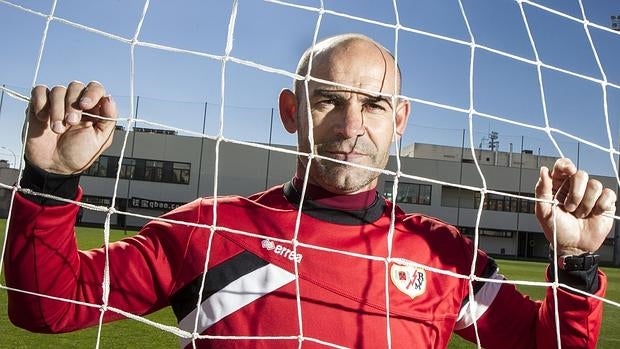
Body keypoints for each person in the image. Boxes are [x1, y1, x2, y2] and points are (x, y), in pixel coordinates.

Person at [4, 33, 616, 349]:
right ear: (291, 111)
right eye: (330, 101)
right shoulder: (209, 230)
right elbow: (45, 306)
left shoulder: (445, 256)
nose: (352, 128)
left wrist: (578, 264)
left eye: (373, 105)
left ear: (398, 120)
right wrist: (51, 181)